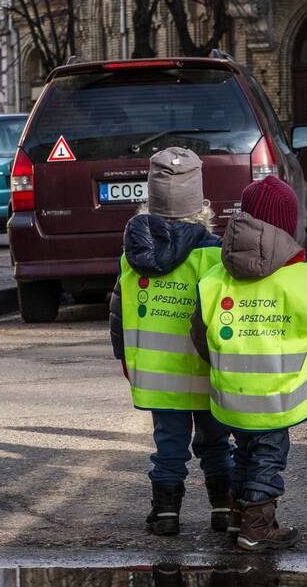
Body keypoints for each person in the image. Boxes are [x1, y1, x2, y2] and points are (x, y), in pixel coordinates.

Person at [192, 176, 307, 552]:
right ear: (287, 226)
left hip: (231, 397)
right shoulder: (299, 278)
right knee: (268, 456)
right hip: (277, 398)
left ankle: (239, 515)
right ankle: (258, 527)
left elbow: (199, 335)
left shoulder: (215, 278)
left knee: (245, 452)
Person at [109, 147, 234, 536]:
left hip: (160, 377)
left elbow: (119, 313)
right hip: (208, 374)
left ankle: (165, 515)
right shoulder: (214, 256)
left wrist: (125, 359)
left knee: (169, 447)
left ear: (150, 202)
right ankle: (224, 510)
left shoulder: (135, 255)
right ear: (202, 208)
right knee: (216, 444)